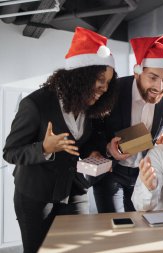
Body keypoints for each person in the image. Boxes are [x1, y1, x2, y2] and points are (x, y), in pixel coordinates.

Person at [2, 27, 118, 253]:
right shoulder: (35, 105)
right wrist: (44, 148)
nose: (104, 89)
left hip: (73, 190)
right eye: (100, 80)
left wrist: (93, 153)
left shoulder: (88, 107)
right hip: (35, 196)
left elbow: (87, 140)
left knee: (79, 248)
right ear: (80, 75)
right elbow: (10, 152)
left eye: (108, 83)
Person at [90, 35, 163, 213]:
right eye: (153, 77)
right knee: (113, 228)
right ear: (137, 72)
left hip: (143, 175)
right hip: (111, 172)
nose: (160, 86)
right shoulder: (114, 90)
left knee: (140, 228)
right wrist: (107, 147)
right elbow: (91, 129)